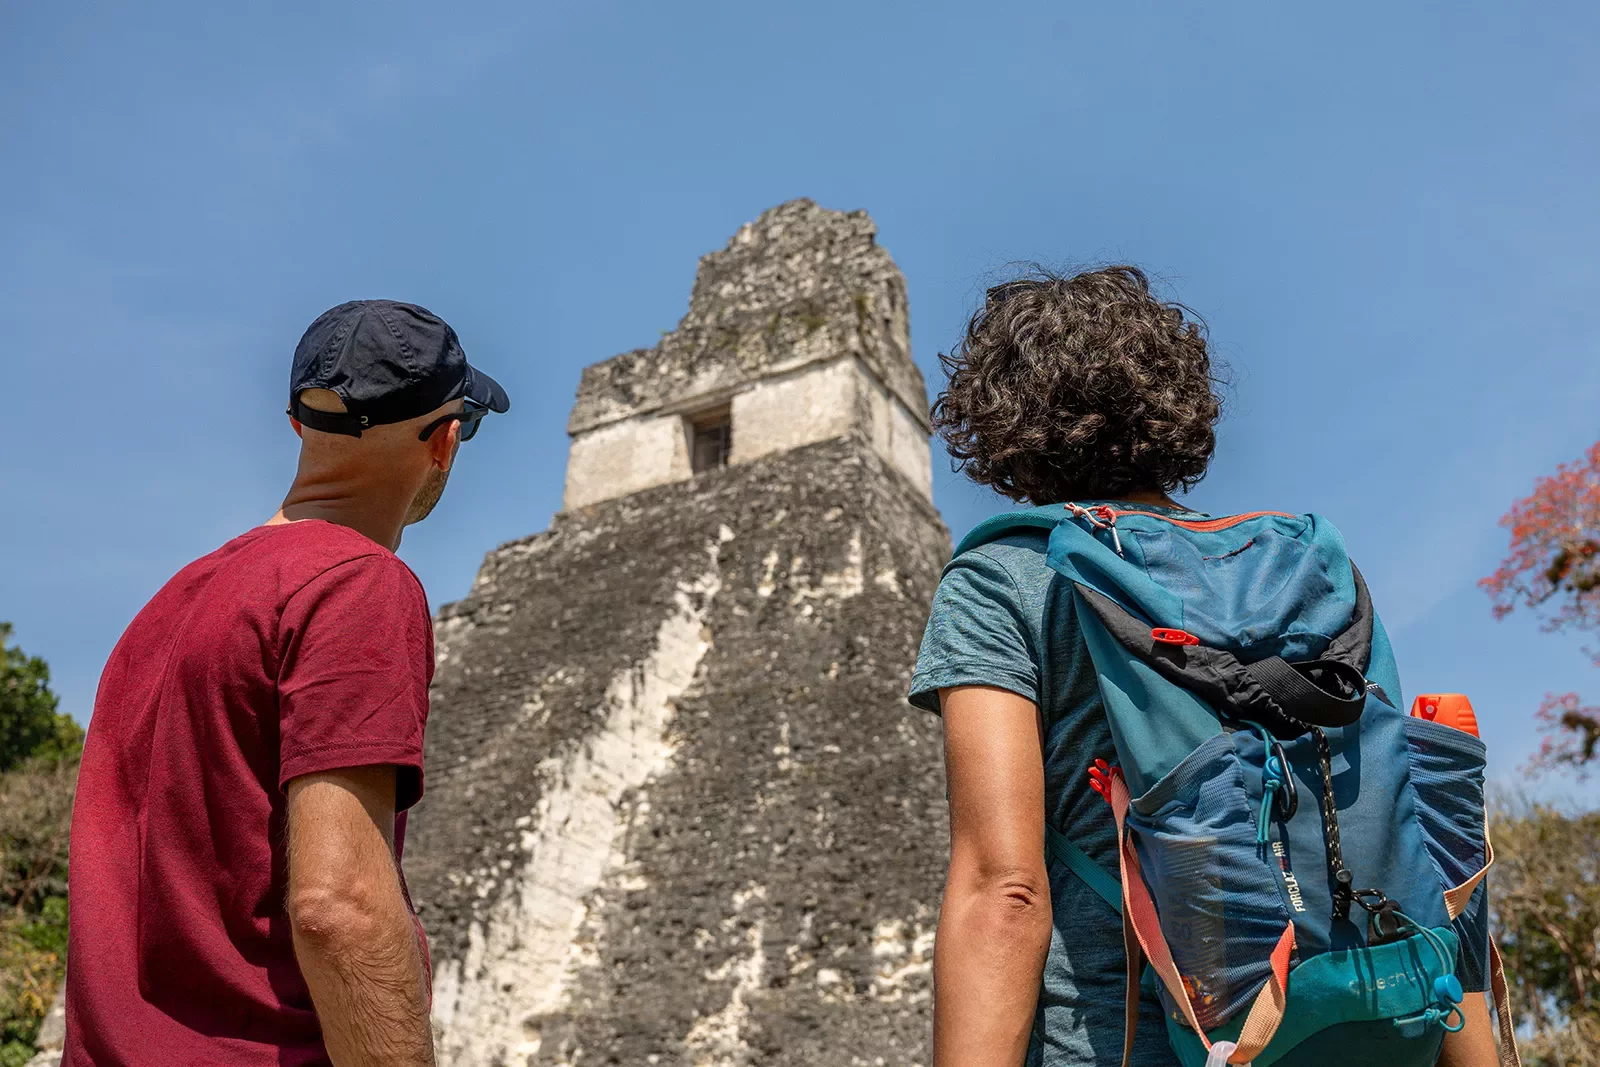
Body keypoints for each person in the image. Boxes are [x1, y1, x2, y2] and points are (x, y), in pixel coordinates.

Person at [909, 267, 1499, 1067]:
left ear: (1002, 425)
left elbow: (1003, 889)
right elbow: (1416, 836)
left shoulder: (1005, 576)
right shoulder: (1305, 571)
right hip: (1357, 1024)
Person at [63, 300, 509, 1067]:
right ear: (441, 443)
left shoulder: (165, 608)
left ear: (301, 424)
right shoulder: (357, 584)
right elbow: (341, 907)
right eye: (463, 425)